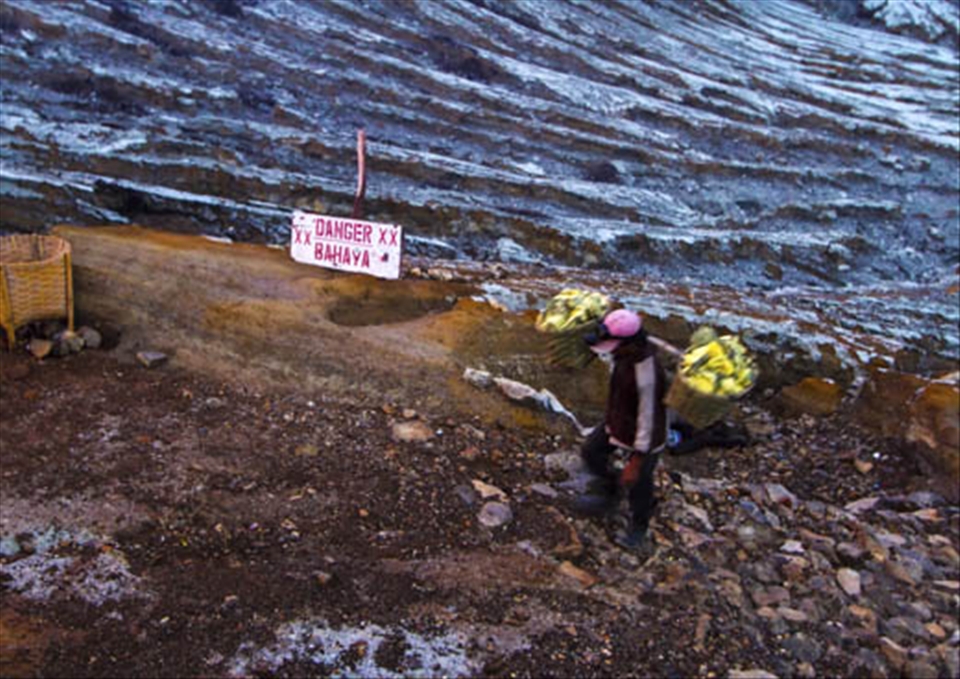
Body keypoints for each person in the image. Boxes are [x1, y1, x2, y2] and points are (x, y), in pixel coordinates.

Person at [574, 309, 667, 549]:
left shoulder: (646, 375)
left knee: (640, 484)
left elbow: (648, 419)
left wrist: (635, 461)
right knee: (591, 452)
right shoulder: (629, 352)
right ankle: (611, 491)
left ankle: (639, 527)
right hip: (617, 421)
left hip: (644, 436)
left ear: (628, 344)